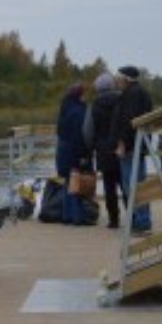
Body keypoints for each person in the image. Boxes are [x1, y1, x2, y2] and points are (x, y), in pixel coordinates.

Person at [111, 65, 153, 233]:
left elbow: (129, 121)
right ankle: (138, 219)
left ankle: (142, 222)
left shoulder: (132, 95)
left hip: (131, 147)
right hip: (135, 145)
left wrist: (122, 143)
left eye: (118, 78)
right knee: (134, 184)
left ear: (126, 79)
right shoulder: (137, 93)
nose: (117, 81)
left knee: (133, 185)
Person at [87, 71, 121, 228]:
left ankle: (113, 220)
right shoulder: (121, 100)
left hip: (103, 150)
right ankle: (134, 218)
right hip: (121, 147)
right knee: (126, 183)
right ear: (112, 85)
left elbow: (88, 130)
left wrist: (92, 146)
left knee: (109, 187)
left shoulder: (94, 105)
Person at [55, 82, 92, 226]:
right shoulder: (79, 111)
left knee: (67, 183)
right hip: (74, 151)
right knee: (77, 183)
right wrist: (83, 154)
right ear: (80, 95)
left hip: (63, 151)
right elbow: (79, 135)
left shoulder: (64, 108)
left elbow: (60, 132)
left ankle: (66, 215)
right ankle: (77, 217)